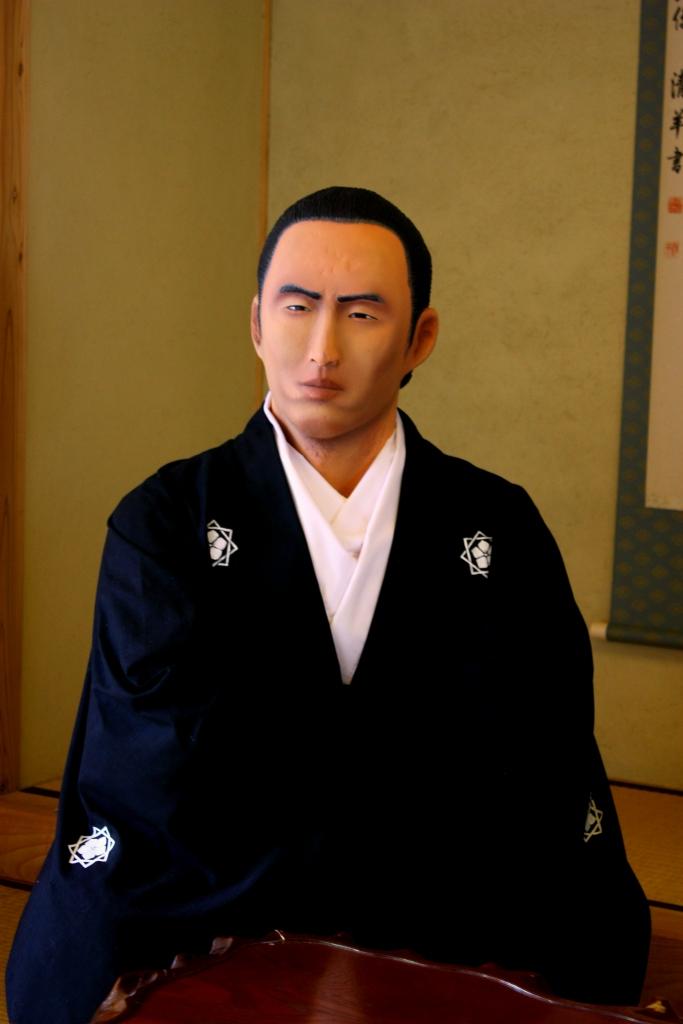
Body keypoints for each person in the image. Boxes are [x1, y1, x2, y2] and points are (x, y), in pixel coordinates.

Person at [7, 187, 650, 1023]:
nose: (321, 349)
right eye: (297, 307)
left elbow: (540, 749)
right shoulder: (165, 520)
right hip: (216, 919)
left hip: (453, 922)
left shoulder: (496, 524)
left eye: (361, 313)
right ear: (256, 323)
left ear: (420, 337)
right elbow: (157, 763)